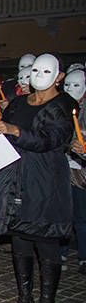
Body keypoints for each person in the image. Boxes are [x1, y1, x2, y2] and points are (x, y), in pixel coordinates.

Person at [0, 53, 75, 303]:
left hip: (45, 179)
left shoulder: (64, 104)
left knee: (45, 239)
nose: (39, 75)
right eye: (35, 69)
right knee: (20, 239)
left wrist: (14, 130)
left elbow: (53, 139)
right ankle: (25, 297)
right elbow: (7, 129)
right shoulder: (17, 103)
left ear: (59, 76)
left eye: (47, 71)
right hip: (16, 177)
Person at [62, 69, 86, 276]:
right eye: (67, 85)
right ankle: (59, 252)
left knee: (81, 215)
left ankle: (84, 257)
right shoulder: (61, 107)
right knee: (62, 213)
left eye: (76, 85)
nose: (70, 90)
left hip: (81, 172)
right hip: (62, 168)